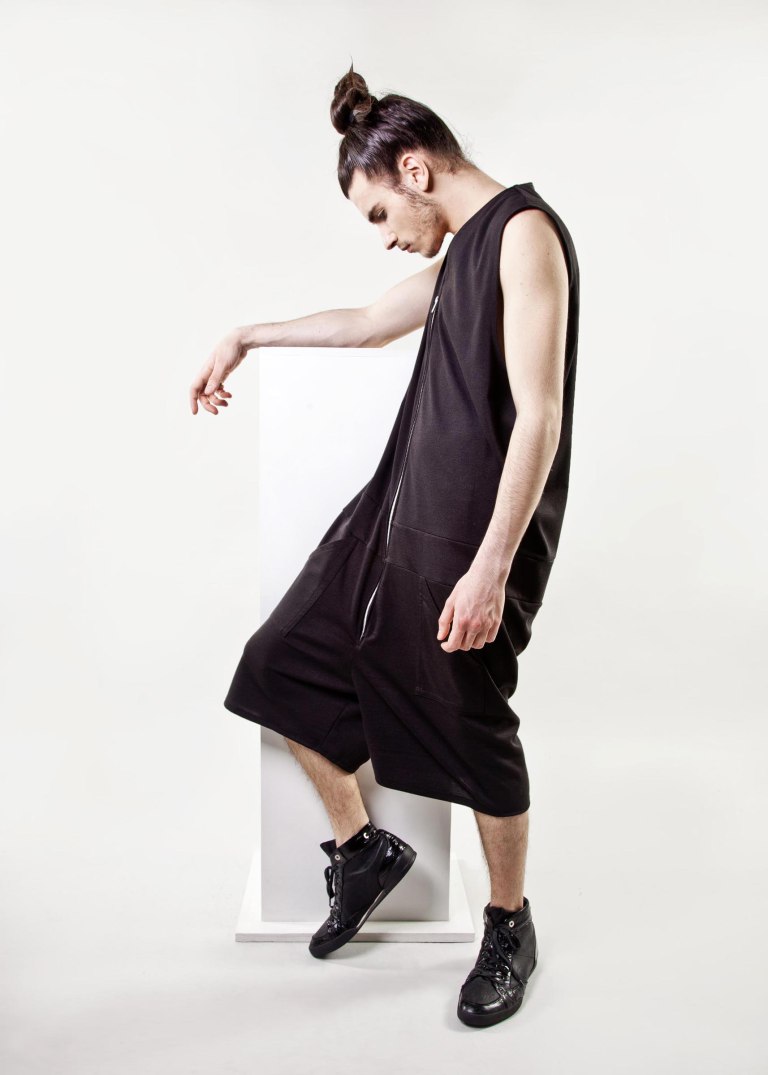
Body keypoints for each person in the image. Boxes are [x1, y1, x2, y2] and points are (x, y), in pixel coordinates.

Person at [190, 63, 579, 1029]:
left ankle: (509, 923)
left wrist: (489, 567)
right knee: (279, 664)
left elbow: (538, 416)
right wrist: (247, 334)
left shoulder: (524, 234)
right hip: (394, 519)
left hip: (472, 539)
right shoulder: (464, 254)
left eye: (377, 214)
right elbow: (368, 325)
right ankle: (363, 852)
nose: (386, 235)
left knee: (472, 721)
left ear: (414, 169)